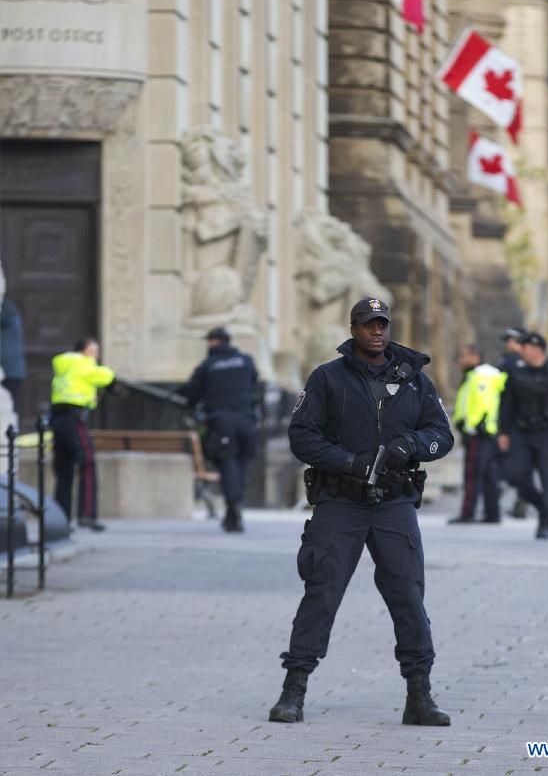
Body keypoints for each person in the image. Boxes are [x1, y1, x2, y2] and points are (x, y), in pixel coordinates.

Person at [269, 297, 454, 727]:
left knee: (408, 595)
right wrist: (349, 462)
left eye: (383, 325)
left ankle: (419, 695)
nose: (377, 332)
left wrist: (409, 445)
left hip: (393, 503)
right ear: (353, 329)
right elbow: (303, 437)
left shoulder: (413, 380)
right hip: (341, 502)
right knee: (322, 592)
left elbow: (441, 435)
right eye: (369, 325)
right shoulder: (327, 379)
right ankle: (293, 690)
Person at [497, 332, 548, 540]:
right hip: (522, 432)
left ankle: (546, 523)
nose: (519, 351)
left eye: (522, 348)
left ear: (535, 349)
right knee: (516, 476)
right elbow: (507, 403)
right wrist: (503, 430)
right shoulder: (516, 371)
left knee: (547, 477)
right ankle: (544, 506)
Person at [180, 327, 259, 532]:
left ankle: (233, 506)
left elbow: (192, 393)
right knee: (240, 464)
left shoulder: (208, 365)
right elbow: (254, 384)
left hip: (221, 422)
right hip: (246, 420)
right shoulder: (246, 360)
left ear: (214, 342)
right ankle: (235, 508)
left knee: (227, 463)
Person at [50, 338, 115, 531]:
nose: (96, 355)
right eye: (92, 351)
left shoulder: (65, 366)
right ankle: (87, 514)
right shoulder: (82, 364)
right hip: (75, 418)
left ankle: (61, 517)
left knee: (64, 470)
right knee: (87, 463)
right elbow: (106, 376)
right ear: (81, 351)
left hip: (59, 419)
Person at [448, 345, 505, 524]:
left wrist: (474, 424)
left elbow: (483, 402)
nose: (460, 361)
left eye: (464, 356)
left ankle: (468, 512)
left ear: (475, 357)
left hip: (477, 433)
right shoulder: (475, 375)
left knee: (472, 474)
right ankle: (492, 513)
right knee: (488, 474)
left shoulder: (480, 376)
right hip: (482, 431)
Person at [497, 327, 528, 519]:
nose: (507, 344)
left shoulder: (510, 363)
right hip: (518, 422)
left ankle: (519, 501)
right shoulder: (524, 362)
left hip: (512, 423)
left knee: (511, 466)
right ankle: (520, 502)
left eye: (510, 340)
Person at [0, 297, 26, 412]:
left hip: (8, 370)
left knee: (7, 408)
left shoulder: (6, 311)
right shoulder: (9, 310)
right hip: (11, 369)